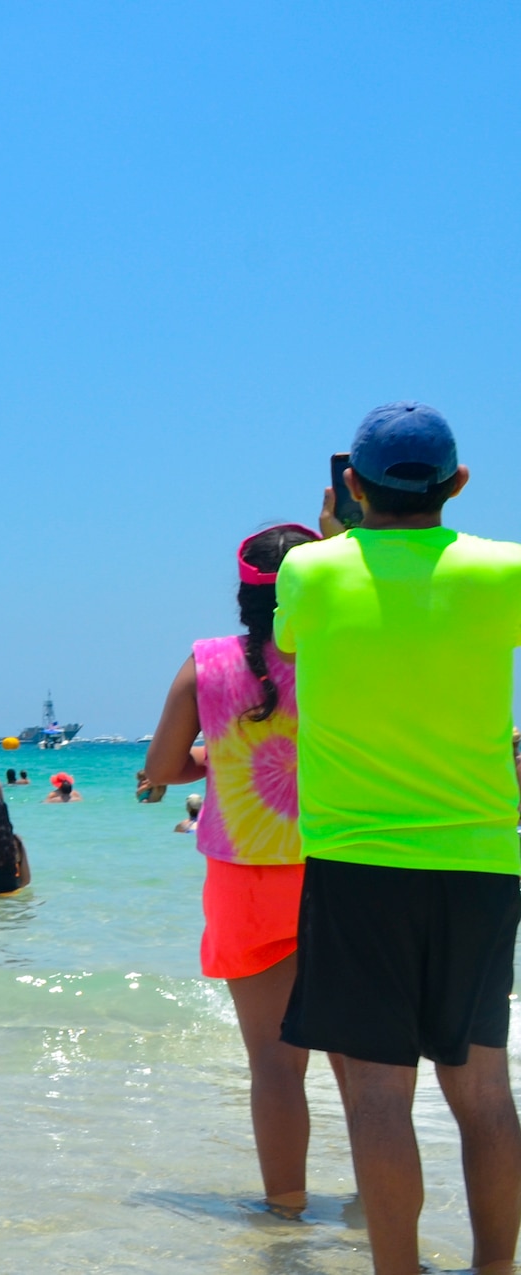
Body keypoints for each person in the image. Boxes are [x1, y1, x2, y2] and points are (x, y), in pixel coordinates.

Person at [273, 404, 521, 1272]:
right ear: (456, 483)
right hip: (483, 859)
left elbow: (294, 642)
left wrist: (342, 534)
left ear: (350, 483)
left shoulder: (308, 569)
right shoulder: (506, 570)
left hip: (357, 862)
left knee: (379, 1094)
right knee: (485, 1089)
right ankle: (496, 1267)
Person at [143, 523, 324, 1216]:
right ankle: (380, 1208)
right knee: (362, 1062)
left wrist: (218, 758)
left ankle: (285, 1212)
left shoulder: (206, 663)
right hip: (338, 870)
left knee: (275, 1064)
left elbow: (161, 769)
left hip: (245, 878)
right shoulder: (339, 655)